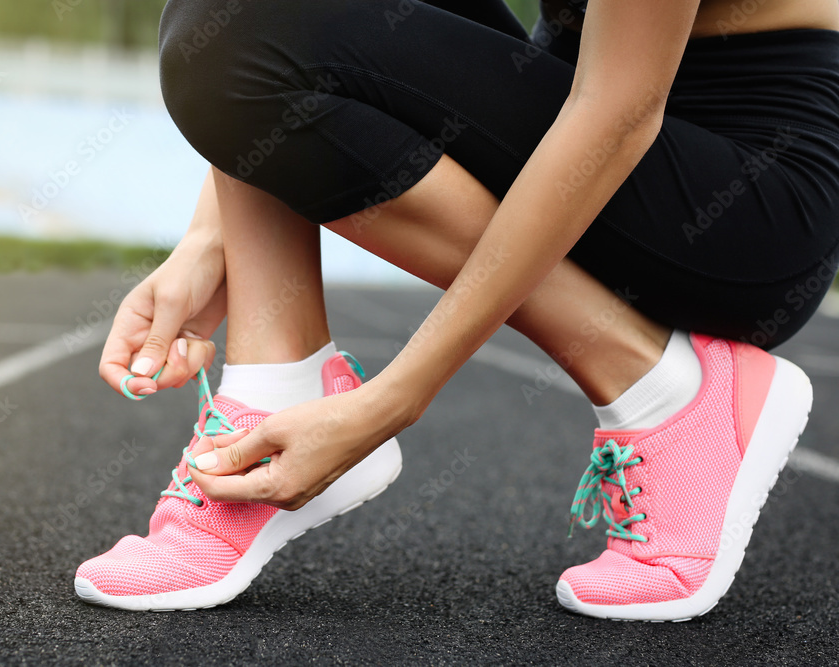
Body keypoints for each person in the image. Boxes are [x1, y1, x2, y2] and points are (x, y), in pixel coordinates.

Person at [74, 0, 839, 620]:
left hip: (742, 197)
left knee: (240, 36)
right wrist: (211, 243)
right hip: (577, 100)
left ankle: (660, 388)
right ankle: (280, 379)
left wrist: (390, 402)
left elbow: (617, 113)